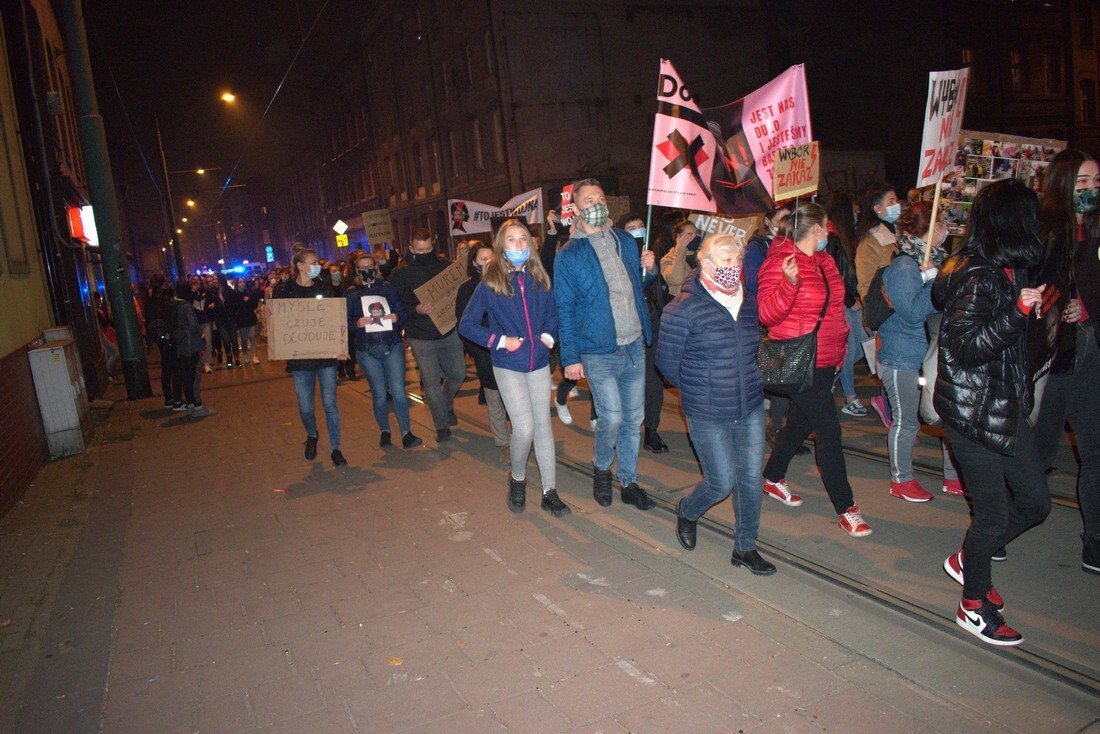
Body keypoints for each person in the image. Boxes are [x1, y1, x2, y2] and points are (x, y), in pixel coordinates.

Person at [933, 178, 1051, 646]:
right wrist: (1016, 314)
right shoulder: (980, 276)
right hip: (971, 415)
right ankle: (973, 604)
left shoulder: (1008, 270)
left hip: (1003, 409)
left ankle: (967, 560)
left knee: (1037, 502)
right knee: (992, 516)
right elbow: (962, 348)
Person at [657, 233, 775, 575]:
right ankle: (688, 510)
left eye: (737, 261)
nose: (733, 267)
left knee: (751, 480)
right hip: (707, 408)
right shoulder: (683, 308)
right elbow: (667, 364)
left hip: (750, 403)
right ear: (705, 264)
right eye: (725, 260)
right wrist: (699, 386)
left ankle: (745, 547)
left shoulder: (748, 301)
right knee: (721, 481)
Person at [758, 202, 871, 538]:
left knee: (799, 424)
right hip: (799, 359)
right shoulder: (779, 260)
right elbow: (766, 315)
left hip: (827, 359)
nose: (830, 232)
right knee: (830, 432)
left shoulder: (824, 259)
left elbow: (835, 309)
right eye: (827, 226)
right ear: (817, 229)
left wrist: (840, 351)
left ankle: (772, 476)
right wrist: (789, 284)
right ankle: (846, 508)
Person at [555, 178, 657, 512]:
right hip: (597, 350)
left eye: (600, 197)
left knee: (633, 420)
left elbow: (637, 285)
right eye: (589, 200)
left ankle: (628, 480)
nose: (596, 204)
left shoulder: (626, 241)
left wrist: (650, 269)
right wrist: (570, 357)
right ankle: (601, 469)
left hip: (633, 346)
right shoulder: (569, 254)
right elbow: (564, 308)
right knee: (611, 417)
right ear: (577, 209)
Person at [459, 219, 569, 517]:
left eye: (524, 239)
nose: (520, 244)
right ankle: (518, 478)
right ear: (501, 246)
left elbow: (553, 314)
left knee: (544, 427)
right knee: (524, 428)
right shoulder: (490, 283)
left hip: (538, 362)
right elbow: (467, 325)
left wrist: (548, 337)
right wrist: (498, 340)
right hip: (508, 363)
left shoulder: (539, 277)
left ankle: (549, 491)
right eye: (512, 240)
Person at [1032, 150, 1100, 574]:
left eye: (1096, 182)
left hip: (1090, 358)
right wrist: (1058, 308)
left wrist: (1087, 310)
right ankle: (997, 525)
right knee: (1037, 458)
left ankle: (1094, 540)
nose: (1091, 190)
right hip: (1054, 362)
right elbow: (1028, 290)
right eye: (1082, 183)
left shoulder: (1096, 231)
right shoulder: (1044, 234)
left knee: (1096, 452)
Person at [877, 201, 960, 501]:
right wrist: (935, 282)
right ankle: (901, 480)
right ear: (929, 229)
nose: (946, 231)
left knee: (948, 419)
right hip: (902, 356)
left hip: (931, 355)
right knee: (907, 420)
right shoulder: (904, 266)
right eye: (941, 225)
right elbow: (912, 312)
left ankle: (953, 477)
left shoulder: (933, 262)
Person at [273, 247, 347, 467]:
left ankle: (336, 448)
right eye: (313, 262)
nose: (317, 265)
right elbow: (278, 321)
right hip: (300, 360)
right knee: (306, 407)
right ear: (300, 266)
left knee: (330, 403)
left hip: (326, 357)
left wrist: (340, 346)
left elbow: (336, 318)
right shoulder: (284, 291)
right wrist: (270, 315)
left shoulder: (324, 288)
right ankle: (312, 434)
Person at [390, 229, 466, 443]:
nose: (424, 253)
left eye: (428, 249)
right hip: (420, 335)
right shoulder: (400, 274)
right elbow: (395, 305)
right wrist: (415, 309)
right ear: (411, 248)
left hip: (449, 331)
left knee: (458, 374)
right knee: (431, 383)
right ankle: (442, 427)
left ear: (434, 246)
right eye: (419, 250)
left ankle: (446, 403)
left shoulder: (446, 267)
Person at [346, 250, 422, 450]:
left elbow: (402, 311)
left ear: (376, 268)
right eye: (361, 268)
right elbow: (343, 324)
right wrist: (357, 323)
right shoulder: (351, 293)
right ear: (356, 270)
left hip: (392, 344)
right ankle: (385, 431)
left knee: (398, 390)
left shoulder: (388, 288)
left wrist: (397, 317)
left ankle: (406, 432)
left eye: (369, 267)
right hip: (367, 349)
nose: (366, 271)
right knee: (379, 393)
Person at [456, 241, 511, 464]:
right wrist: (478, 352)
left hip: (508, 350)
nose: (488, 263)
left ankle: (520, 438)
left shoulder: (507, 283)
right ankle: (504, 443)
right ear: (473, 263)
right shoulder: (467, 289)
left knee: (513, 399)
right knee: (495, 399)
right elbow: (464, 324)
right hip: (485, 352)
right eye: (483, 259)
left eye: (492, 258)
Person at [619, 212, 669, 454]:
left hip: (652, 323)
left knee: (653, 381)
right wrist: (646, 274)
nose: (637, 230)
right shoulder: (617, 257)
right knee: (626, 380)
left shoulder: (652, 255)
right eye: (631, 227)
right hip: (626, 326)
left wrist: (653, 268)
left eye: (641, 226)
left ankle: (651, 429)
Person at [855, 183, 902, 427]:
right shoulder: (871, 241)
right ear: (878, 209)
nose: (897, 206)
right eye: (891, 201)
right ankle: (890, 409)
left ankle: (892, 407)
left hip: (900, 311)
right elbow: (864, 284)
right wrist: (873, 315)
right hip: (885, 314)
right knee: (889, 367)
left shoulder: (896, 233)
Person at [824, 192, 868, 417]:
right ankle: (850, 397)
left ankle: (832, 375)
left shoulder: (843, 236)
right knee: (849, 350)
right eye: (853, 209)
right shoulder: (832, 238)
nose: (857, 212)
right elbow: (835, 276)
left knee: (861, 343)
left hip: (849, 300)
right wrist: (850, 301)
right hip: (841, 303)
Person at [171, 279, 214, 417]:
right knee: (194, 376)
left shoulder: (174, 304)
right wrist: (201, 337)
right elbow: (193, 326)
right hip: (191, 345)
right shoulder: (186, 306)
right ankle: (198, 406)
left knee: (186, 377)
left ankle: (190, 404)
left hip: (180, 346)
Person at [659, 218, 700, 297]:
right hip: (684, 302)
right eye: (690, 234)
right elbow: (676, 279)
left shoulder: (701, 256)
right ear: (678, 237)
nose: (694, 237)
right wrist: (680, 249)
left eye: (696, 233)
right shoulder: (667, 259)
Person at [237, 279, 261, 364]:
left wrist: (249, 300)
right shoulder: (236, 294)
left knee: (252, 336)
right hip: (241, 320)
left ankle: (255, 355)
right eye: (239, 282)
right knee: (244, 339)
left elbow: (255, 305)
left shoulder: (250, 293)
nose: (242, 284)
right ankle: (245, 354)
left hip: (250, 318)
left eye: (243, 282)